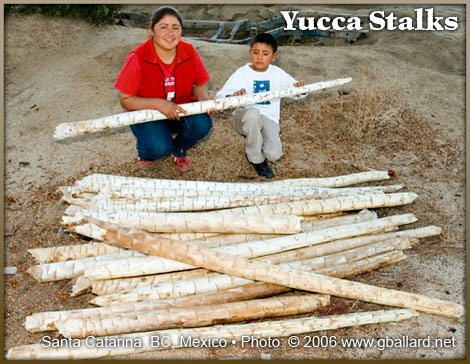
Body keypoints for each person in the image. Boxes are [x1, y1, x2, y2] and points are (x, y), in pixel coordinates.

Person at [114, 6, 215, 172]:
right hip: (146, 113)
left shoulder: (189, 51)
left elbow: (199, 83)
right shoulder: (137, 57)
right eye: (163, 27)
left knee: (202, 125)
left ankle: (178, 149)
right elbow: (125, 99)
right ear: (151, 30)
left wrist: (204, 102)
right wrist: (159, 104)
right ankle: (146, 152)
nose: (170, 33)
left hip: (180, 108)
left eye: (175, 28)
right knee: (158, 147)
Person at [216, 33, 306, 179]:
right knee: (253, 114)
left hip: (268, 118)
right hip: (244, 117)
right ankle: (256, 159)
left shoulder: (278, 74)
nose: (259, 57)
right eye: (255, 52)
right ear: (249, 52)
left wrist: (300, 89)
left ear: (274, 56)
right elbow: (221, 95)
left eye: (265, 54)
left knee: (274, 154)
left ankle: (258, 140)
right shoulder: (242, 73)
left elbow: (297, 92)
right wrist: (234, 96)